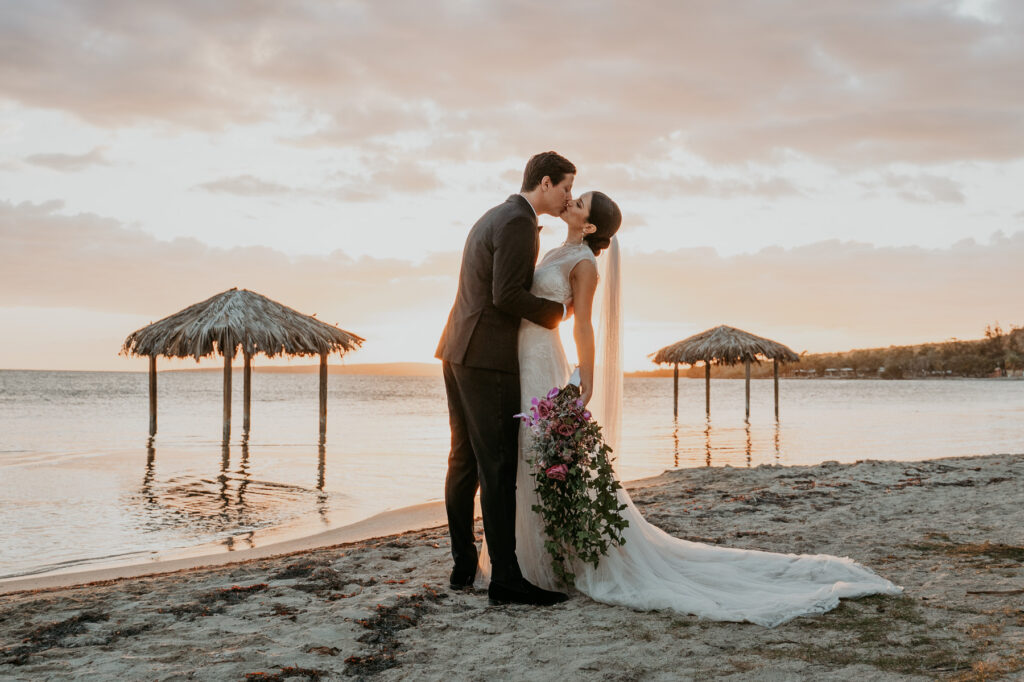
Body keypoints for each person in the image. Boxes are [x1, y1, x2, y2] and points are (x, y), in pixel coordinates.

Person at [478, 190, 903, 627]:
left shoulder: (584, 263)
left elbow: (582, 321)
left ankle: (546, 565)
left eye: (580, 202)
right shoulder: (555, 249)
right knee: (526, 455)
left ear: (589, 226)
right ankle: (527, 562)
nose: (571, 200)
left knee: (537, 452)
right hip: (521, 354)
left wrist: (586, 372)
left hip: (543, 359)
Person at [436, 151, 576, 606]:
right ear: (546, 182)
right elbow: (507, 294)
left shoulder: (496, 214)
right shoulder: (518, 221)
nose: (567, 198)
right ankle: (506, 580)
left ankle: (462, 566)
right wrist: (556, 313)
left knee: (464, 461)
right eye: (566, 188)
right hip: (487, 355)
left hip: (457, 347)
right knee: (496, 467)